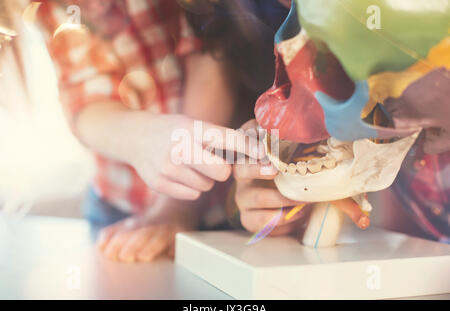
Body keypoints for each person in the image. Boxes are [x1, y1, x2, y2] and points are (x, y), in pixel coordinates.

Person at [37, 0, 291, 262]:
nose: (98, 7)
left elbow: (211, 61)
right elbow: (85, 104)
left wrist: (176, 206)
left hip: (214, 205)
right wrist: (141, 135)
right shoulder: (48, 8)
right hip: (116, 204)